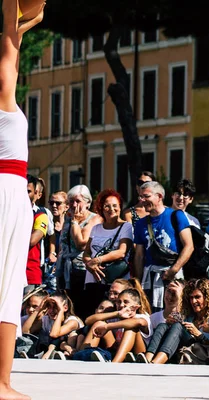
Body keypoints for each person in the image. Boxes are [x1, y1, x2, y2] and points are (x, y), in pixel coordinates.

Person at [0, 2, 46, 397]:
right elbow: (9, 53)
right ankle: (2, 383)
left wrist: (26, 23)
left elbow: (9, 50)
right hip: (8, 191)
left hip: (8, 188)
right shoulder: (3, 96)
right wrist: (13, 15)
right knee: (8, 284)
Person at [133, 181, 194, 311]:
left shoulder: (176, 216)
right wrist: (137, 282)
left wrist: (174, 270)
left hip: (172, 276)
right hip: (149, 279)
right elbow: (139, 256)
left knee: (174, 313)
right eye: (140, 197)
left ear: (159, 196)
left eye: (146, 196)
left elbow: (189, 246)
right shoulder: (140, 224)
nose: (142, 200)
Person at [139, 278, 209, 364]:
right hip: (185, 351)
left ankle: (155, 363)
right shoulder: (189, 316)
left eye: (197, 297)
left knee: (178, 326)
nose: (193, 301)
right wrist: (169, 324)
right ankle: (148, 358)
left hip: (206, 355)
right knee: (162, 326)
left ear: (208, 297)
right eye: (191, 298)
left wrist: (199, 335)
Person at [82, 189, 134, 319]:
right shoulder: (96, 228)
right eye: (107, 206)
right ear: (101, 208)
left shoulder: (126, 227)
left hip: (114, 280)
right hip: (93, 278)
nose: (111, 209)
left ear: (120, 207)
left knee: (112, 315)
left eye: (115, 205)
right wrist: (90, 265)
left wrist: (97, 260)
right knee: (93, 313)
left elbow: (122, 252)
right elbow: (87, 252)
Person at [55, 185, 103, 314]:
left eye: (78, 201)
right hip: (64, 269)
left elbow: (81, 244)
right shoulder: (67, 218)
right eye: (71, 201)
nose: (74, 205)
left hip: (81, 270)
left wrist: (75, 222)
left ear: (87, 203)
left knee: (81, 307)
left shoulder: (94, 219)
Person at [81, 282, 153, 363]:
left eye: (126, 302)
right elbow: (88, 321)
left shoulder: (142, 317)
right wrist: (117, 313)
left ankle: (115, 363)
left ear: (136, 306)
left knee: (131, 328)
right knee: (99, 324)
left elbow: (138, 322)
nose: (121, 305)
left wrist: (107, 327)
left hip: (138, 353)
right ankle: (83, 355)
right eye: (119, 302)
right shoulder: (116, 317)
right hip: (116, 350)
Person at [21, 290, 83, 360]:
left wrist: (60, 311)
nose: (51, 310)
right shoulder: (46, 319)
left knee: (72, 335)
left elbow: (54, 334)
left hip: (69, 350)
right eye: (49, 306)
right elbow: (26, 331)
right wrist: (38, 309)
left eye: (55, 307)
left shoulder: (72, 321)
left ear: (65, 308)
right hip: (52, 349)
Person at [26, 174, 49, 292]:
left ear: (36, 193)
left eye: (28, 191)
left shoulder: (41, 216)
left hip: (29, 274)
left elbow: (32, 240)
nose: (24, 194)